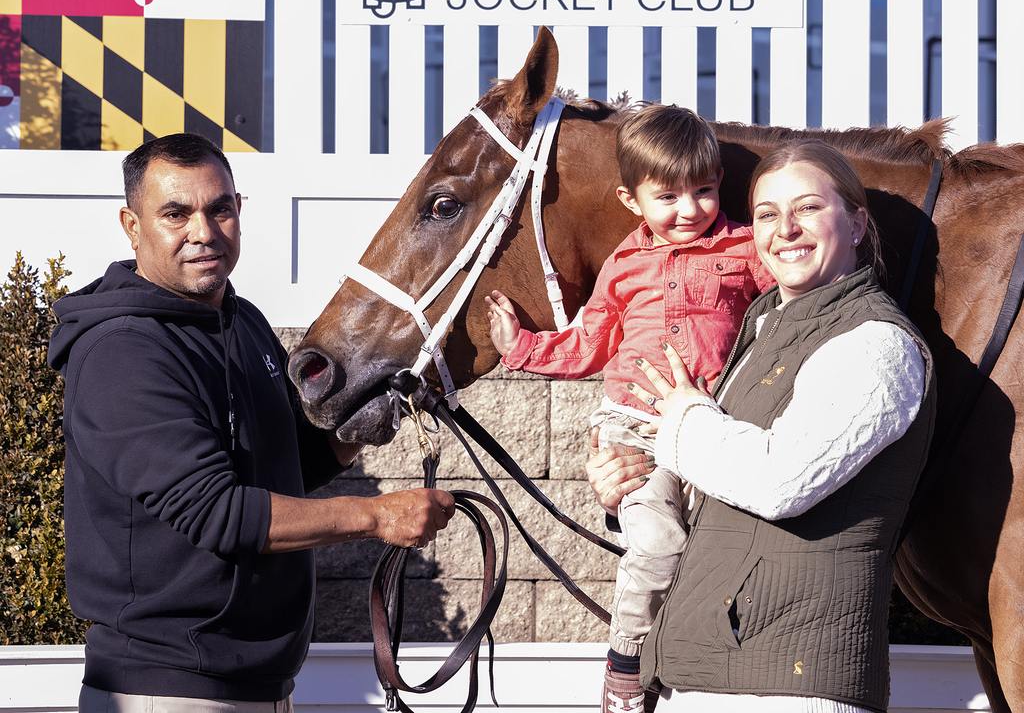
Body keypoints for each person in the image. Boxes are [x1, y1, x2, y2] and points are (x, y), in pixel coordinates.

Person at [47, 134, 456, 713]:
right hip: (165, 688)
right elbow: (216, 511)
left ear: (239, 208)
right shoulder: (122, 351)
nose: (203, 231)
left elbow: (295, 462)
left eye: (219, 208)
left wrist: (385, 401)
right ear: (131, 225)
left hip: (263, 686)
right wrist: (377, 515)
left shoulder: (242, 322)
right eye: (175, 213)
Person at [589, 140, 936, 712]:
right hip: (709, 670)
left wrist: (682, 419)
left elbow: (782, 480)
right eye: (768, 215)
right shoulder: (764, 330)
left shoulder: (876, 343)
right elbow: (716, 482)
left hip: (789, 685)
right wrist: (627, 479)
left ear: (855, 223)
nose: (786, 230)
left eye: (808, 209)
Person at [485, 105, 774, 713]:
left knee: (715, 555)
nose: (689, 209)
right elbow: (592, 340)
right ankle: (626, 662)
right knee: (659, 544)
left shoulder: (747, 250)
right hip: (634, 429)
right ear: (631, 199)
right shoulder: (623, 266)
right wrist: (523, 348)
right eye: (667, 196)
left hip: (712, 426)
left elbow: (787, 316)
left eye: (703, 191)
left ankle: (691, 669)